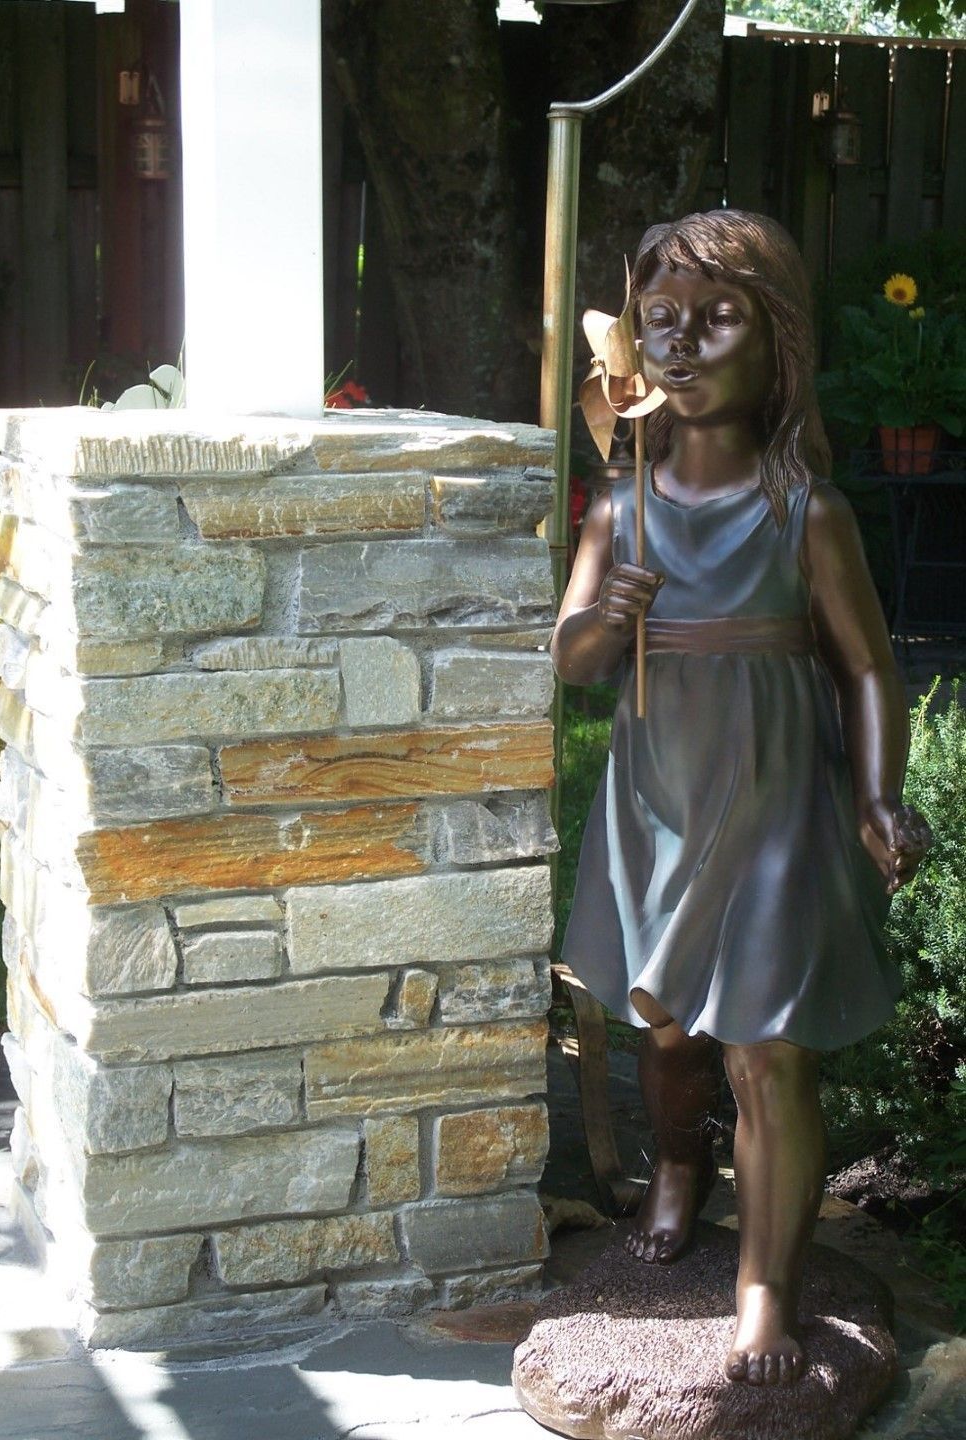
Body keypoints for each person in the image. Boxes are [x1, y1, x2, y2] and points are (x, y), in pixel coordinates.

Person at [551, 210, 931, 1388]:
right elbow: (573, 665)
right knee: (666, 1027)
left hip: (776, 802)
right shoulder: (622, 510)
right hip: (656, 796)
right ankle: (677, 1168)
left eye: (717, 320)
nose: (682, 345)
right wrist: (606, 616)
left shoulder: (806, 514)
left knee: (766, 1051)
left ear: (778, 347)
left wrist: (878, 794)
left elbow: (869, 664)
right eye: (659, 321)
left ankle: (765, 1281)